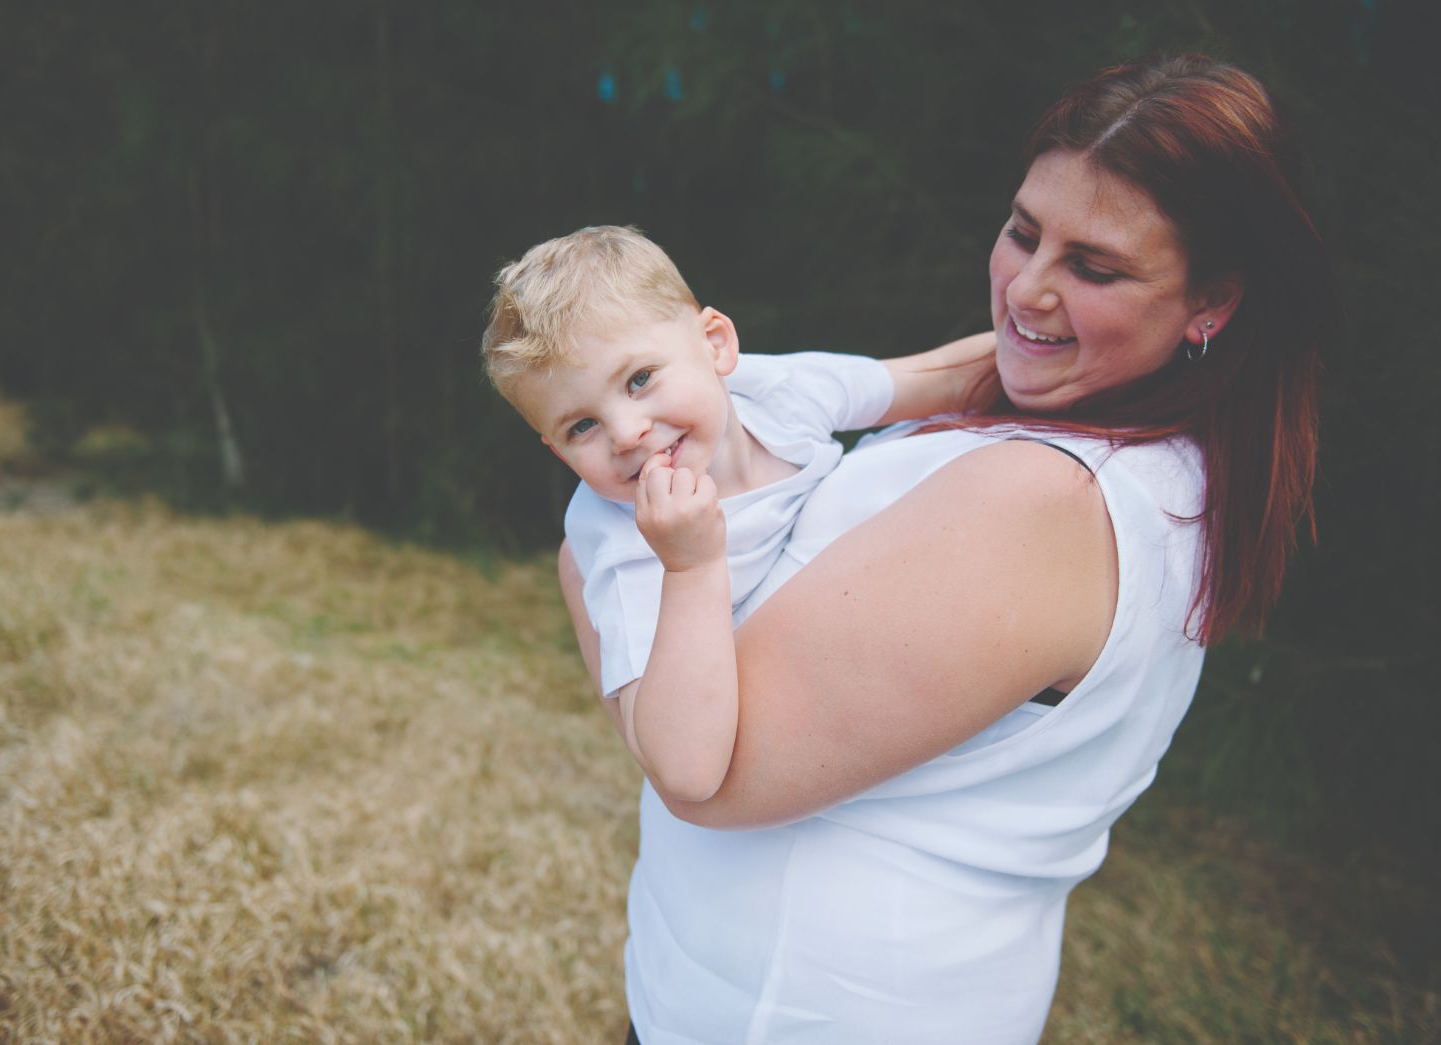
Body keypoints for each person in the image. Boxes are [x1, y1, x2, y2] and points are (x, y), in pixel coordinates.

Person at [558, 54, 1328, 1043]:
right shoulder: (1145, 438)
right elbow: (874, 381)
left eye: (1093, 267)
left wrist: (594, 553)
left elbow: (706, 773)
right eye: (1022, 232)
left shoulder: (1041, 503)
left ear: (1212, 304)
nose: (1028, 289)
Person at [481, 226, 995, 803]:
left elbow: (940, 379)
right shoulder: (624, 542)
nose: (627, 434)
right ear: (557, 450)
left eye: (640, 379)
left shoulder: (772, 393)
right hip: (788, 756)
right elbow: (686, 770)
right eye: (582, 427)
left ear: (717, 344)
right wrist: (690, 566)